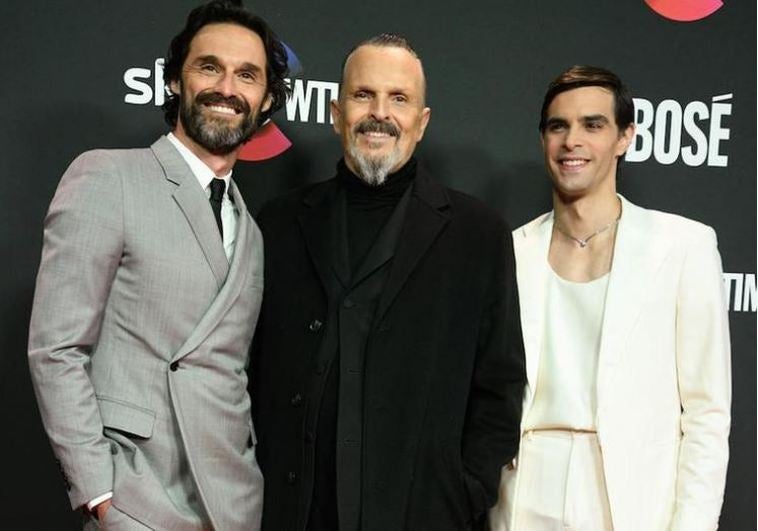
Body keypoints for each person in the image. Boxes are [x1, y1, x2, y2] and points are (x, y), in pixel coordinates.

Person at [27, 1, 289, 529]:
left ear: (265, 101)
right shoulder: (109, 177)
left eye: (247, 75)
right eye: (209, 67)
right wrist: (99, 490)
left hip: (231, 501)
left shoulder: (253, 231)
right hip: (136, 498)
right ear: (174, 81)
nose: (227, 88)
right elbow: (56, 348)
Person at [251, 33, 525, 531]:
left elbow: (499, 384)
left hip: (422, 515)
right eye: (363, 95)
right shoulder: (279, 222)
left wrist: (465, 491)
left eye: (398, 99)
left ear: (421, 123)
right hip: (293, 511)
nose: (380, 113)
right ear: (336, 113)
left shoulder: (477, 233)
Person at [489, 65, 731, 531]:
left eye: (592, 125)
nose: (571, 141)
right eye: (558, 126)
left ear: (625, 137)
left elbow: (706, 414)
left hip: (628, 501)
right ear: (543, 141)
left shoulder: (683, 247)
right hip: (521, 497)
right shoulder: (510, 250)